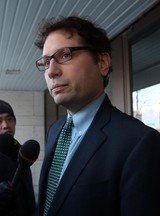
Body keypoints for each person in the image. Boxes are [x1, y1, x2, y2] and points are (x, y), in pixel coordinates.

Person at [34, 16, 160, 216]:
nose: (51, 71)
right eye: (46, 62)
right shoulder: (55, 130)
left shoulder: (139, 143)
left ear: (102, 63)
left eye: (64, 55)